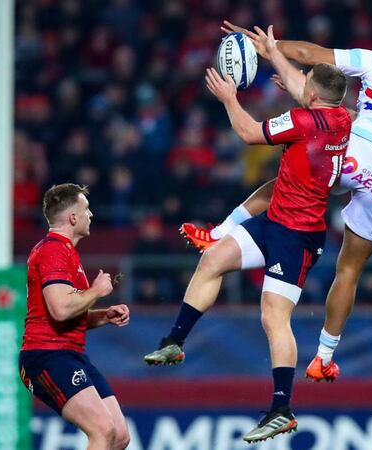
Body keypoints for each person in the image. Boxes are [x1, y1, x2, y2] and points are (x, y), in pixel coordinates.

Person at [180, 23, 372, 382]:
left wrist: (271, 47)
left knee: (293, 171)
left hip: (362, 151)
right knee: (350, 270)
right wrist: (297, 84)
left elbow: (312, 56)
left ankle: (219, 232)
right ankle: (325, 358)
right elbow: (348, 113)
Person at [142, 28, 351, 443]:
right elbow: (309, 92)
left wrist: (229, 98)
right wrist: (273, 53)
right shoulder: (342, 117)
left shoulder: (303, 120)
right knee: (213, 258)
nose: (297, 84)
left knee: (274, 317)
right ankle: (175, 341)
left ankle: (281, 408)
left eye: (303, 82)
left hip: (297, 236)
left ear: (311, 94)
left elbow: (249, 134)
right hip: (277, 219)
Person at [19, 183, 131, 450]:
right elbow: (60, 309)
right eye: (87, 210)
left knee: (120, 435)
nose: (91, 215)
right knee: (103, 430)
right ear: (73, 217)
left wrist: (103, 316)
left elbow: (65, 313)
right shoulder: (53, 250)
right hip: (47, 355)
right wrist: (96, 291)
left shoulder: (66, 251)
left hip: (70, 354)